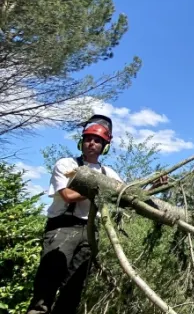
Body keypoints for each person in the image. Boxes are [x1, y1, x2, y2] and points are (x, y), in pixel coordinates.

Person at [25, 114, 167, 314]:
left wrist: (153, 187)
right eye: (88, 139)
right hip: (63, 227)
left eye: (97, 141)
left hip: (90, 231)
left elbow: (125, 197)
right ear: (81, 142)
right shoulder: (66, 165)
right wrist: (100, 189)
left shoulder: (109, 174)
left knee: (73, 291)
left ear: (105, 147)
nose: (91, 143)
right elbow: (67, 195)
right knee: (47, 286)